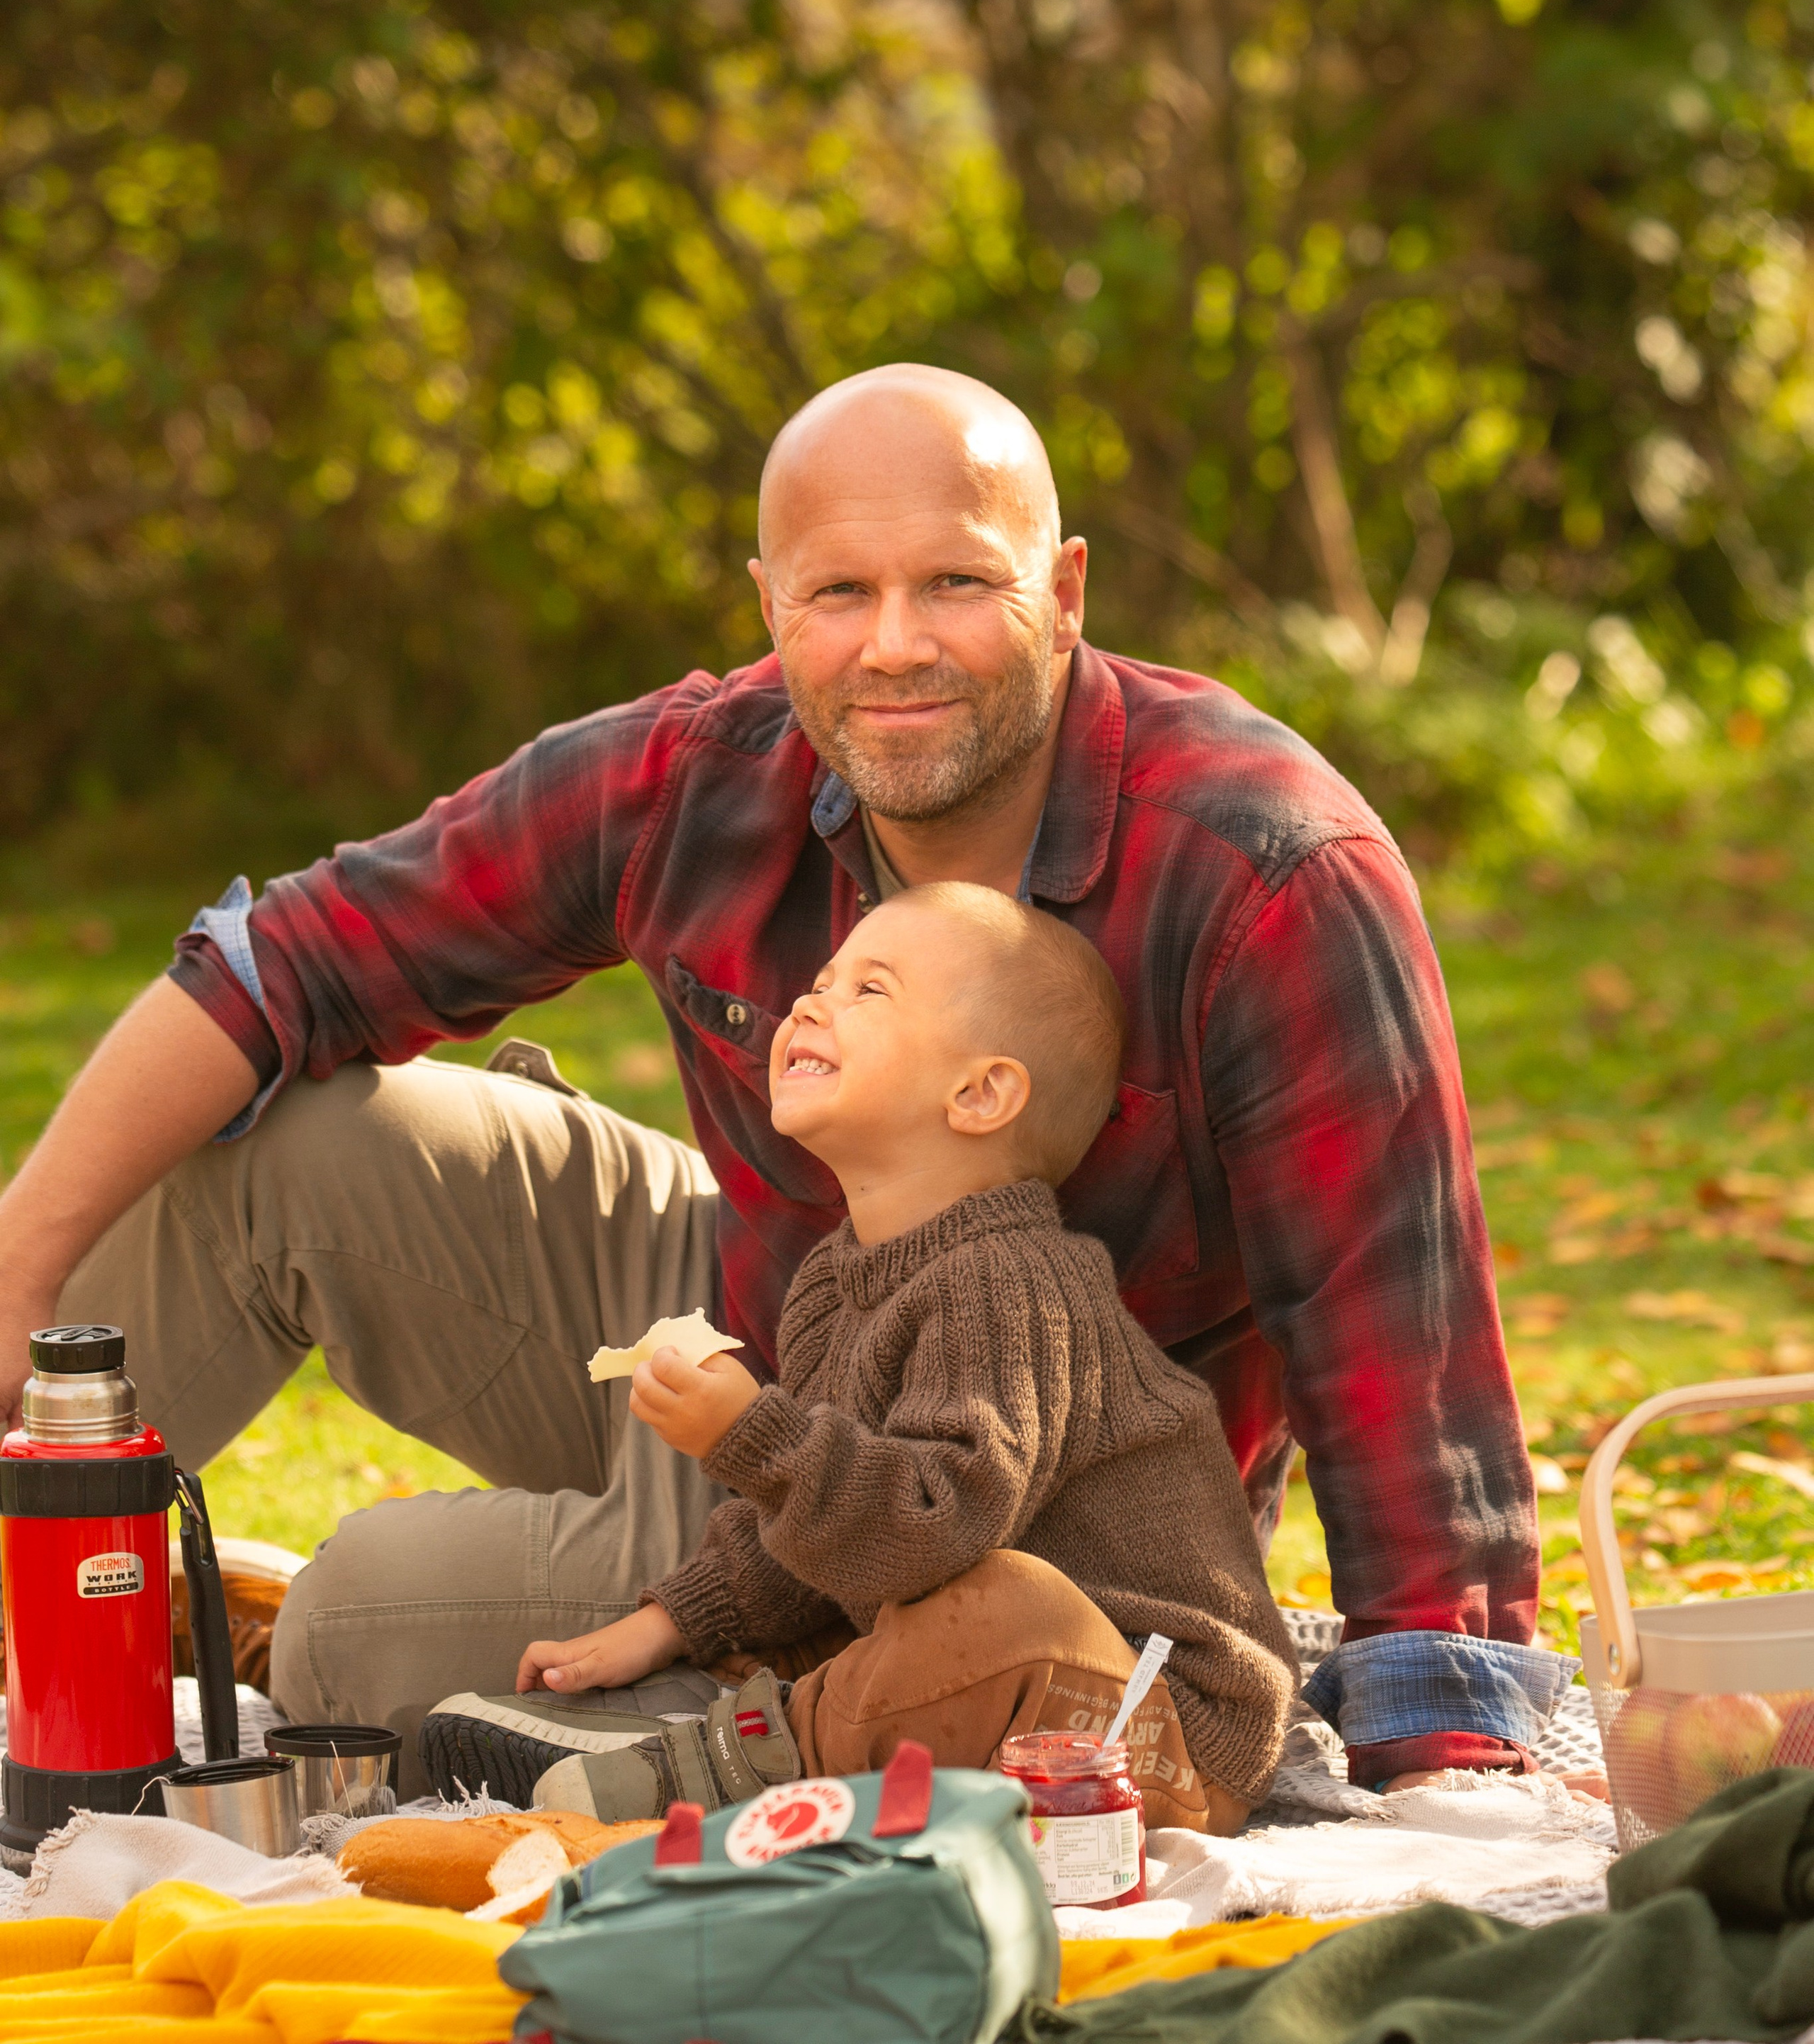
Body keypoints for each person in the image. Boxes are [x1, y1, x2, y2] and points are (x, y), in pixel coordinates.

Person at [0, 363, 1555, 1798]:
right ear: (770, 602)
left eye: (957, 583)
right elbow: (284, 961)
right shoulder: (701, 773)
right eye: (840, 592)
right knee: (271, 1147)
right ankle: (39, 1605)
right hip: (768, 1313)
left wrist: (1443, 1753)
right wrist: (14, 1274)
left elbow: (1394, 1343)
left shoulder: (1266, 870)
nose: (895, 645)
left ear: (1065, 589)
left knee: (358, 1626)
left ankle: (698, 1709)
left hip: (974, 1506)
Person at [417, 885, 1297, 1832]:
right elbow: (829, 1535)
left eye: (868, 990)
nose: (811, 1001)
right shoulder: (834, 1287)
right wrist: (669, 1622)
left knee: (997, 1605)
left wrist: (754, 1436)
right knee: (850, 1619)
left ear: (980, 1094)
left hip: (1156, 1724)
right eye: (823, 980)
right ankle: (709, 1720)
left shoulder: (1008, 1282)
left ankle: (724, 1761)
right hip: (990, 1688)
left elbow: (936, 1527)